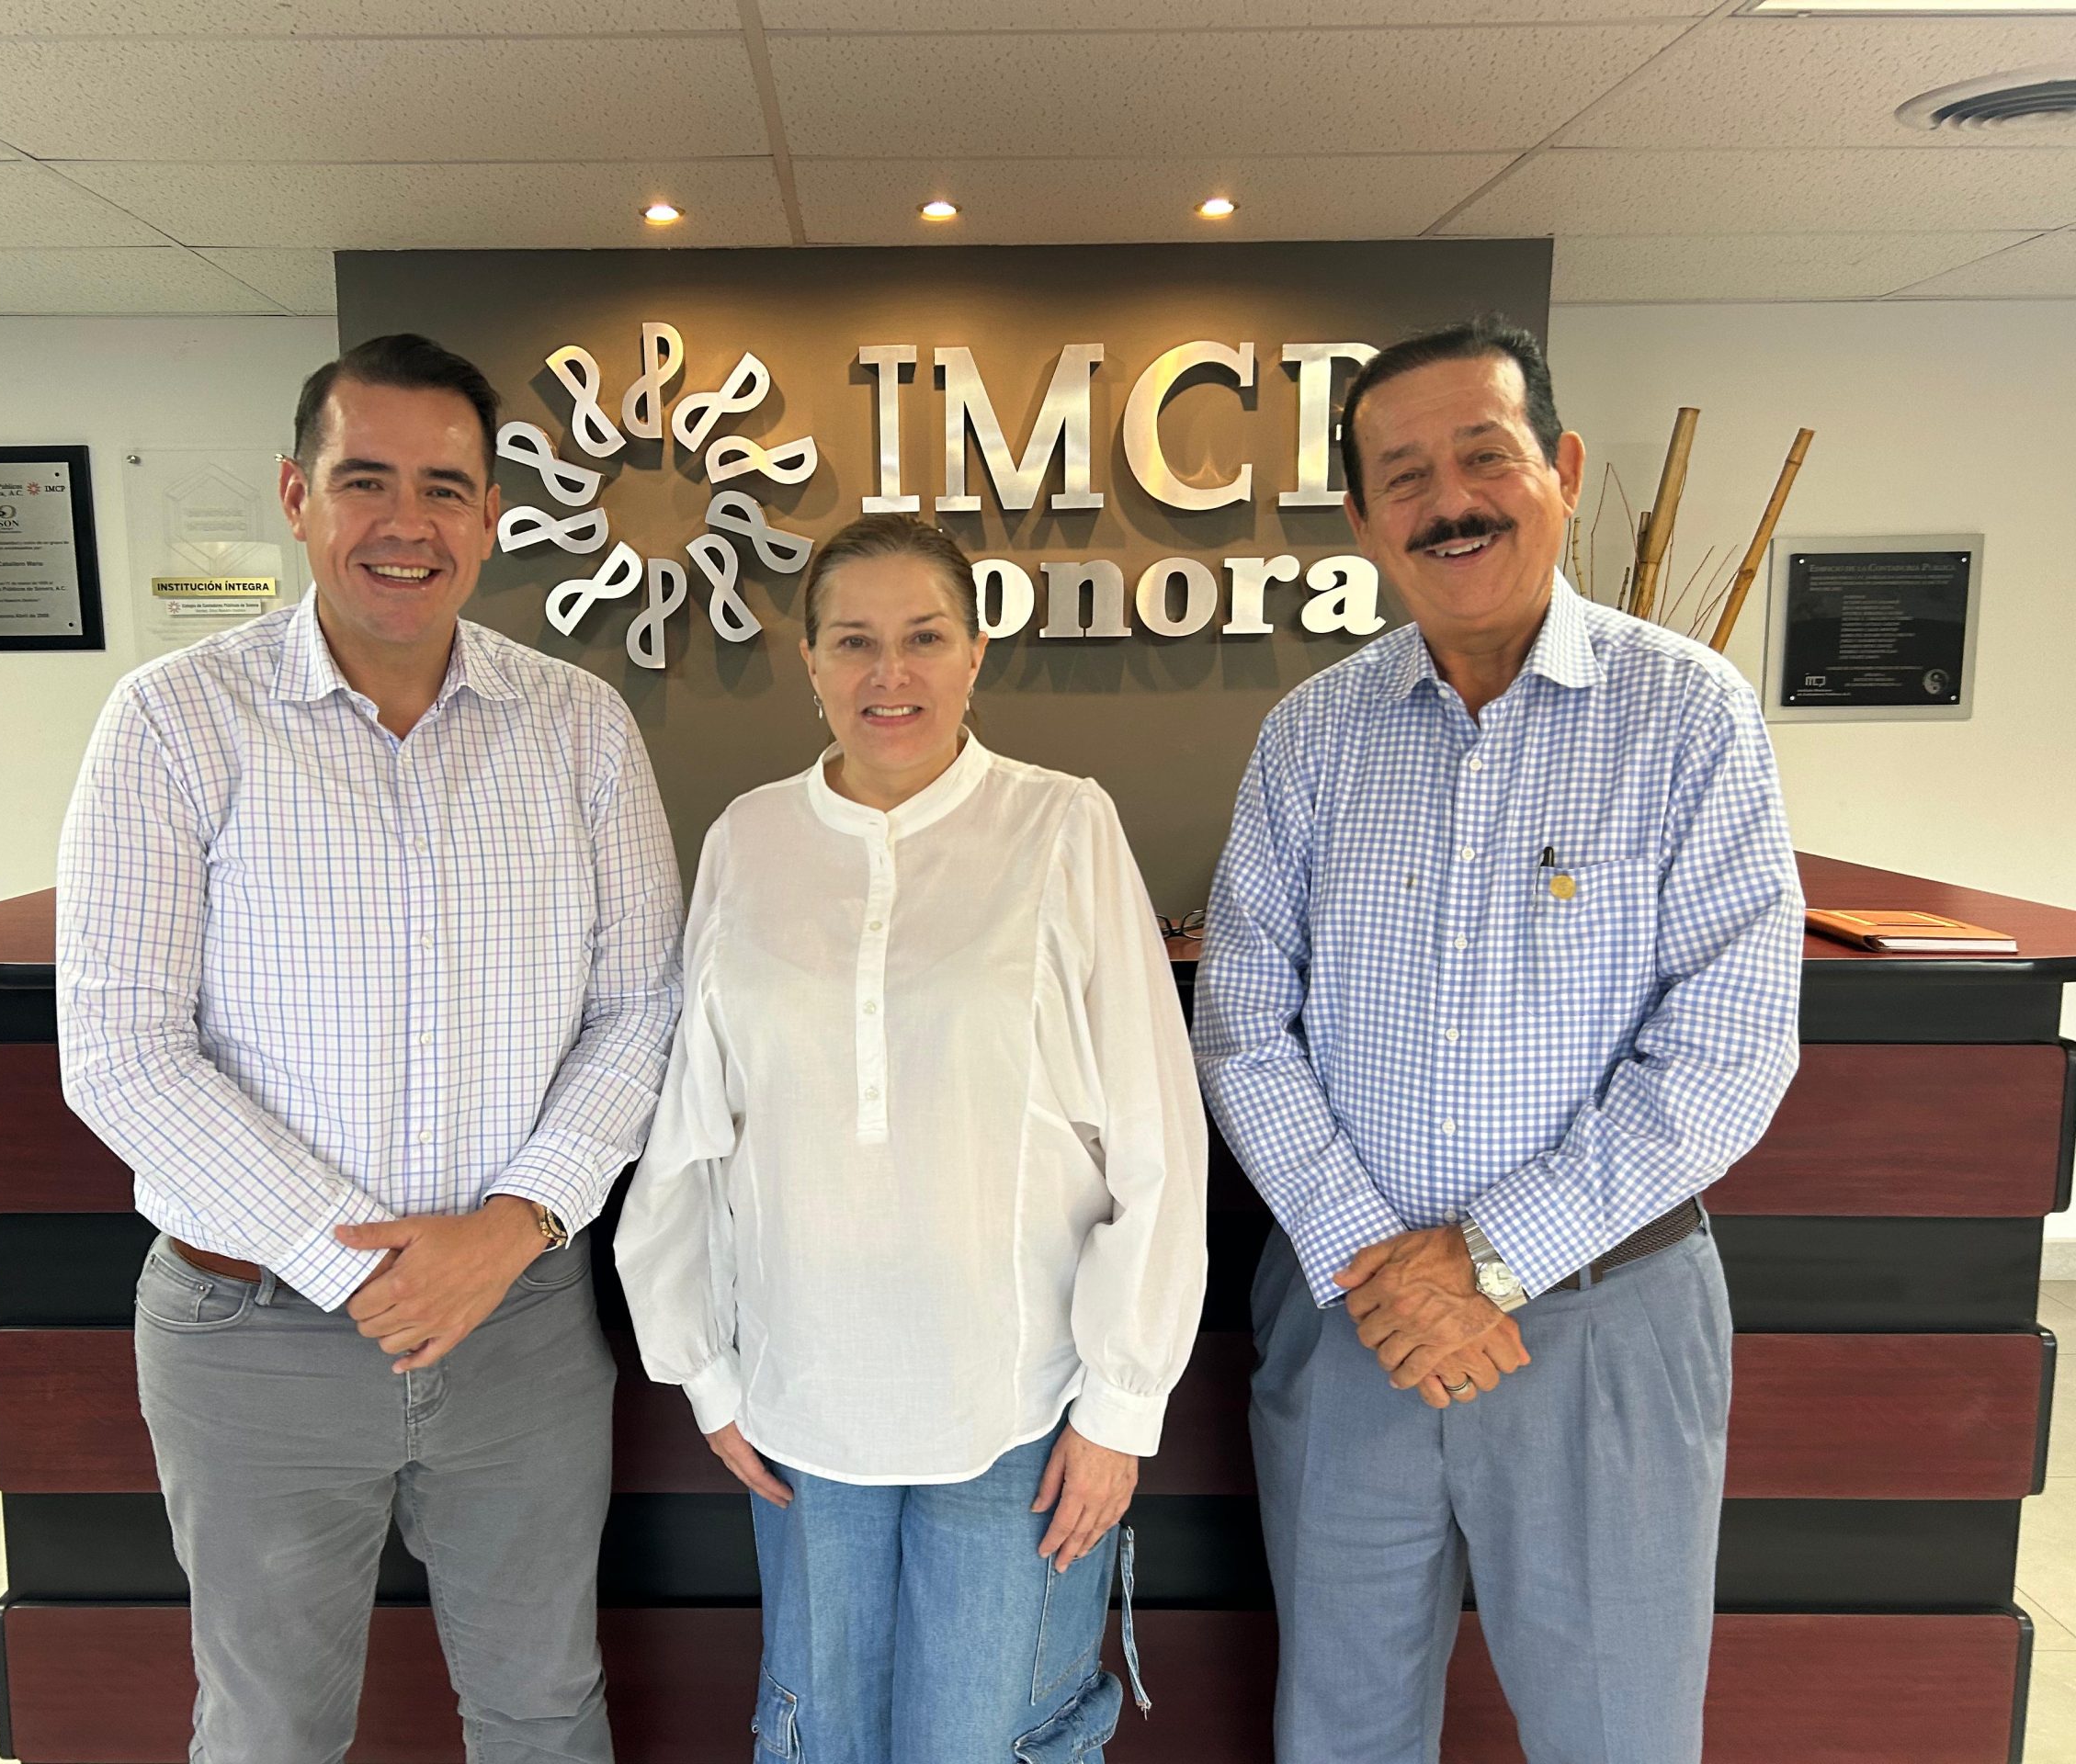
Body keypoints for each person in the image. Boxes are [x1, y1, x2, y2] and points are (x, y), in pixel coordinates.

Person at [56, 333, 683, 1764]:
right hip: (254, 1335)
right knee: (269, 1729)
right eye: (366, 481)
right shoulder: (173, 721)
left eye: (446, 489)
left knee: (545, 1709)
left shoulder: (580, 729)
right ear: (297, 495)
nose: (408, 523)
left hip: (521, 1325)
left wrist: (506, 1233)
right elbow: (119, 1048)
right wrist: (368, 1269)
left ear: (492, 518)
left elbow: (643, 1010)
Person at [1192, 319, 1802, 1763]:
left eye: (1485, 455)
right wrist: (1384, 1267)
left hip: (1603, 1321)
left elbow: (1730, 1046)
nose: (1448, 501)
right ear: (1362, 519)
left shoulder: (1688, 716)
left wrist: (1483, 1261)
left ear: (1564, 470)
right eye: (1403, 475)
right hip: (1351, 1321)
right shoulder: (1311, 737)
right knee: (1340, 1728)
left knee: (1617, 1734)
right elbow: (1243, 1023)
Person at [614, 514, 1208, 1764]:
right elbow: (692, 1131)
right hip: (802, 1404)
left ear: (976, 652)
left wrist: (1122, 1403)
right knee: (819, 1738)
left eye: (925, 637)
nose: (891, 674)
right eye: (855, 642)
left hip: (1017, 1405)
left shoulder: (1062, 826)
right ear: (809, 662)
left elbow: (1156, 1136)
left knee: (983, 1743)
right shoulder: (748, 840)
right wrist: (703, 1369)